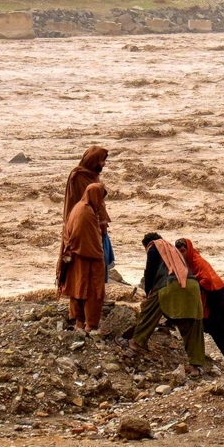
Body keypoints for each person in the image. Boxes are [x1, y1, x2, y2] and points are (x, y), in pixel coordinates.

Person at [129, 233, 206, 372]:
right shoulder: (172, 249)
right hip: (192, 286)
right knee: (192, 325)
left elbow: (150, 272)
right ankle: (195, 366)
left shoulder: (154, 246)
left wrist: (148, 292)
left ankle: (137, 342)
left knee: (149, 309)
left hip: (171, 284)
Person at [175, 238, 224, 368]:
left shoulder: (197, 261)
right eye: (178, 251)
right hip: (207, 295)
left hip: (216, 294)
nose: (181, 254)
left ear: (188, 250)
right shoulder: (186, 263)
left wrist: (194, 287)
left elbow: (207, 280)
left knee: (223, 325)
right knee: (206, 324)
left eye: (183, 251)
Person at [56, 184, 107, 334]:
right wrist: (99, 256)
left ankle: (79, 323)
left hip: (76, 258)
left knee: (78, 290)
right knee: (93, 292)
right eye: (100, 198)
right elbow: (86, 239)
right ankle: (91, 325)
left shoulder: (78, 208)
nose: (101, 202)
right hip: (88, 260)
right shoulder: (86, 213)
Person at [63, 146, 116, 278]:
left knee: (100, 262)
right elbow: (84, 203)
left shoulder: (93, 175)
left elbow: (98, 202)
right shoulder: (79, 177)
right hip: (85, 226)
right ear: (94, 160)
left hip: (97, 225)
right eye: (102, 161)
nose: (104, 164)